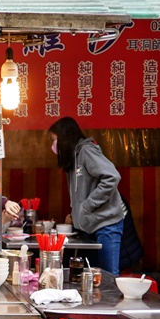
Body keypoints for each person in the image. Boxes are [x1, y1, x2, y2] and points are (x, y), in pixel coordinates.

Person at [48, 117, 124, 275]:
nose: (52, 146)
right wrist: (76, 214)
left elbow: (112, 177)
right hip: (90, 227)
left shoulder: (86, 151)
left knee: (109, 277)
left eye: (54, 140)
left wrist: (87, 205)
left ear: (64, 138)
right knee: (93, 277)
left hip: (106, 224)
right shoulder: (73, 159)